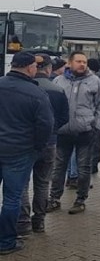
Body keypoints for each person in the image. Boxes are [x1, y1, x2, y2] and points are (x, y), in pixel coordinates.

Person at [0, 52, 53, 255]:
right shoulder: (36, 93)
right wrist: (37, 146)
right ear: (30, 67)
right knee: (12, 198)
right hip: (19, 151)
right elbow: (46, 125)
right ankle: (5, 242)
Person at [48, 51, 100, 215]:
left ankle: (80, 200)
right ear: (70, 62)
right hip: (63, 132)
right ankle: (54, 199)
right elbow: (52, 105)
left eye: (84, 62)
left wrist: (97, 126)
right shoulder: (58, 81)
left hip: (85, 131)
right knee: (58, 168)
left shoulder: (94, 81)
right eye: (79, 61)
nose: (82, 64)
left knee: (83, 168)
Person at [17, 54, 69, 235]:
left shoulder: (23, 88)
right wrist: (52, 131)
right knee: (42, 183)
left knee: (22, 183)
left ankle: (23, 222)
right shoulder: (58, 89)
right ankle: (39, 221)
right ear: (48, 69)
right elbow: (64, 117)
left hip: (25, 143)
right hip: (49, 143)